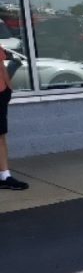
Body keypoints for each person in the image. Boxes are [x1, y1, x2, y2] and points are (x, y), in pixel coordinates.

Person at [0, 46, 29, 190]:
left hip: (1, 93)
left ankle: (5, 176)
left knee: (1, 136)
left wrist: (8, 88)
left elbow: (1, 66)